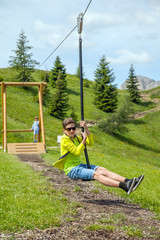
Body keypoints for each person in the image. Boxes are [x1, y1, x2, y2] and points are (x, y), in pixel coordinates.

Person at [53, 118, 144, 195]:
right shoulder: (65, 140)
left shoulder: (76, 137)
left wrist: (86, 128)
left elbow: (91, 143)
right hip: (72, 169)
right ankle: (125, 186)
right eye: (69, 129)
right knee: (97, 174)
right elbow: (77, 152)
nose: (72, 130)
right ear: (64, 130)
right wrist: (84, 139)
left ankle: (130, 181)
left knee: (102, 170)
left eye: (73, 128)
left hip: (79, 165)